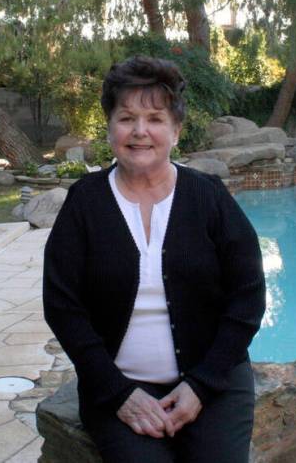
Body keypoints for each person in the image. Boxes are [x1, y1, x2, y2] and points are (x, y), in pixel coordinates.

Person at [43, 55, 266, 462]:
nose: (140, 131)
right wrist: (118, 393)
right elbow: (62, 307)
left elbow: (248, 295)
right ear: (110, 127)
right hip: (118, 389)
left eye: (155, 119)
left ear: (176, 130)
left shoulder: (209, 197)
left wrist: (201, 385)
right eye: (126, 118)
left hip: (214, 385)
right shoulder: (85, 202)